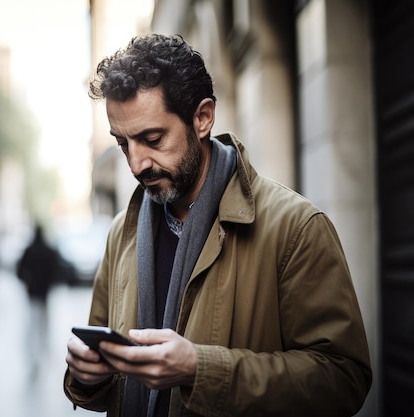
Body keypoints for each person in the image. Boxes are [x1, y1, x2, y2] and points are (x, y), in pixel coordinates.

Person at [64, 34, 372, 417]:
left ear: (203, 118)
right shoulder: (121, 234)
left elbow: (344, 379)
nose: (136, 164)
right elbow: (106, 376)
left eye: (153, 138)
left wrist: (200, 369)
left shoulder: (296, 227)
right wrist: (85, 375)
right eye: (124, 143)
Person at [17, 223, 61, 377]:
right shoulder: (48, 251)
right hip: (44, 293)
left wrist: (29, 282)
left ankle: (33, 351)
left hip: (33, 293)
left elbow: (19, 271)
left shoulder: (29, 251)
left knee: (33, 322)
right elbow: (57, 269)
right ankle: (44, 350)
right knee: (43, 322)